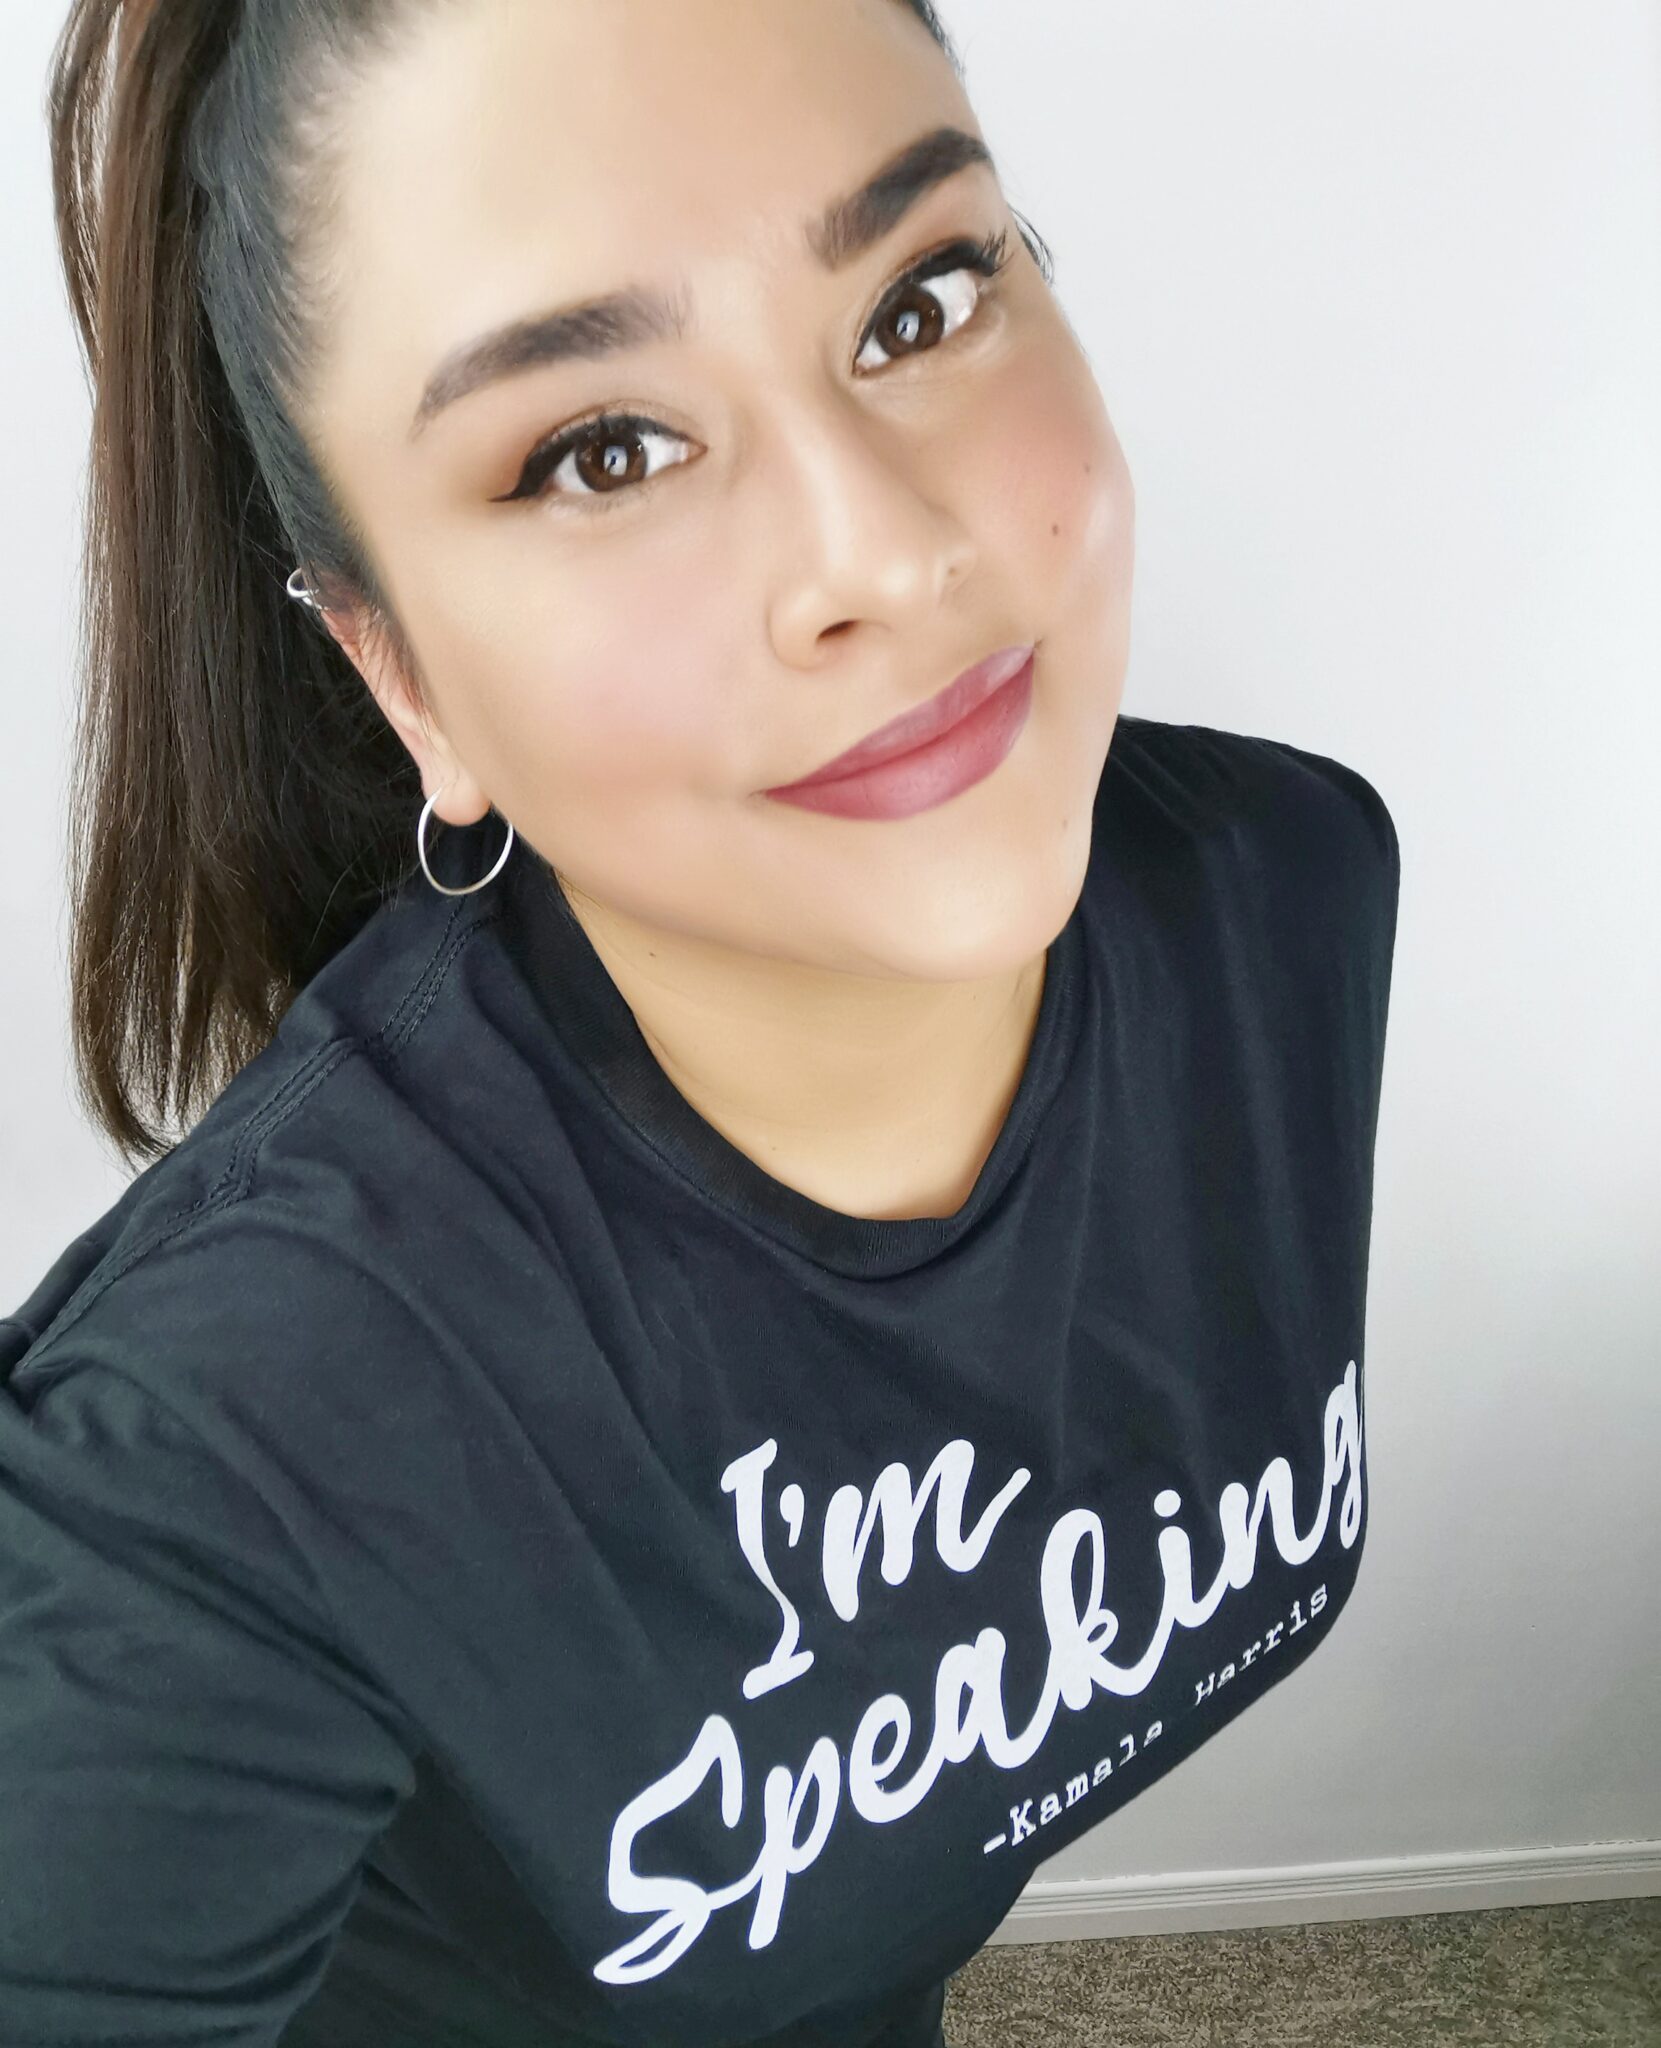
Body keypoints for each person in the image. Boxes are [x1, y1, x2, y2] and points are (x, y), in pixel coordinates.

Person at [0, 0, 1401, 2043]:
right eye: (603, 448)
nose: (882, 549)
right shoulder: (215, 1460)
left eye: (922, 299)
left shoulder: (1285, 896)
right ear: (403, 678)